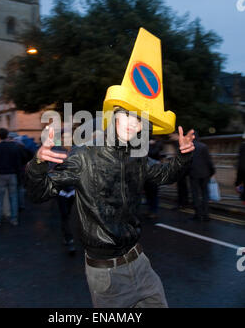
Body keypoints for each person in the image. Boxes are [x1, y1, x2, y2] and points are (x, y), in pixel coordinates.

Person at [26, 107, 195, 308]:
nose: (133, 123)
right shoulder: (85, 155)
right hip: (107, 274)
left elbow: (165, 174)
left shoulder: (137, 155)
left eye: (139, 120)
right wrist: (37, 164)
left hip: (140, 263)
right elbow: (40, 193)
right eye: (127, 115)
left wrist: (183, 156)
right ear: (114, 116)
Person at [0, 128, 24, 227]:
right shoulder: (14, 147)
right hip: (12, 174)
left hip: (0, 175)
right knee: (13, 197)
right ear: (7, 135)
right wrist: (18, 174)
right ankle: (14, 219)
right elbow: (18, 163)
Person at [189, 132, 215, 221]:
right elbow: (209, 161)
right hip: (205, 174)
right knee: (205, 194)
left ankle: (197, 214)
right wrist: (212, 172)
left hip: (193, 174)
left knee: (195, 194)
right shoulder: (204, 146)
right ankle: (206, 214)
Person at [169, 132, 190, 209]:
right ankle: (183, 203)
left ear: (177, 135)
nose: (170, 138)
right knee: (181, 186)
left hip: (182, 168)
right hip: (181, 167)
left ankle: (182, 203)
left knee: (182, 186)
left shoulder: (180, 142)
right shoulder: (177, 143)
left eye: (171, 136)